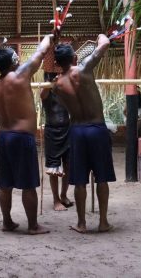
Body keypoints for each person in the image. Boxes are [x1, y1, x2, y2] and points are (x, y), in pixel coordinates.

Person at [0, 35, 54, 235]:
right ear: (14, 61)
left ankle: (7, 221)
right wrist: (50, 36)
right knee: (28, 184)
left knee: (5, 183)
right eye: (16, 56)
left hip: (4, 137)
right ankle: (33, 225)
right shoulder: (21, 75)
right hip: (21, 138)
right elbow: (40, 52)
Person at [53, 34, 116, 233]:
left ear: (57, 64)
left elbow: (65, 105)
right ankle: (103, 222)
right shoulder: (85, 67)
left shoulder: (57, 85)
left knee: (79, 179)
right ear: (74, 59)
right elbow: (104, 42)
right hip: (96, 128)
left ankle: (81, 223)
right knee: (102, 177)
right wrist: (101, 35)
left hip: (77, 130)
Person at [41, 71, 72, 211]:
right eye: (54, 76)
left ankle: (63, 195)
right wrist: (50, 83)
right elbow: (42, 94)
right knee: (53, 167)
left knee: (68, 165)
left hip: (67, 130)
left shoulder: (65, 92)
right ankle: (55, 200)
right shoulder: (46, 92)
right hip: (52, 132)